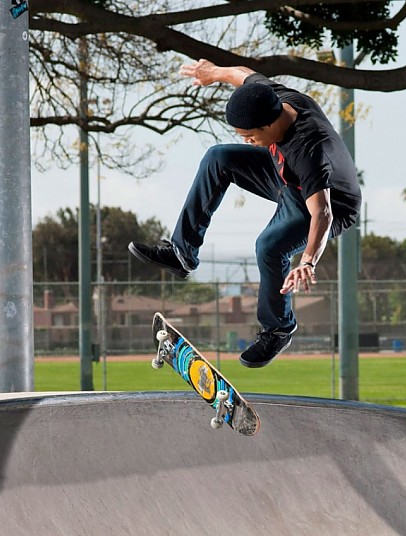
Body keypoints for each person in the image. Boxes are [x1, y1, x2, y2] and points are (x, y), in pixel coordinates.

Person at [128, 59, 362, 368]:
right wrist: (213, 73)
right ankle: (182, 254)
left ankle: (278, 328)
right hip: (285, 178)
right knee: (219, 157)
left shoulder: (310, 149)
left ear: (268, 124)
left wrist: (307, 261)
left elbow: (323, 214)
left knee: (269, 245)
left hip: (328, 203)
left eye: (249, 135)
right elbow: (242, 76)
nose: (246, 141)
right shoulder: (272, 97)